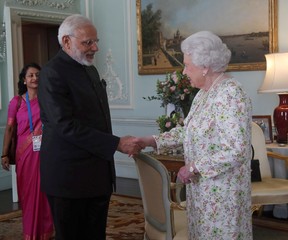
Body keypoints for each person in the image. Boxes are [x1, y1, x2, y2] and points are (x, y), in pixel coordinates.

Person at [138, 31, 253, 239]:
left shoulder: (230, 93)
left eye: (187, 66)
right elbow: (188, 131)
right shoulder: (203, 93)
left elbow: (237, 151)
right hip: (201, 193)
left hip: (222, 197)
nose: (184, 71)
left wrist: (193, 167)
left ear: (205, 67)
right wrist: (152, 141)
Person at [38, 14, 141, 240]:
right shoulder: (52, 73)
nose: (95, 47)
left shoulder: (89, 69)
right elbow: (65, 125)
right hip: (69, 179)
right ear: (66, 41)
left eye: (96, 41)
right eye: (88, 42)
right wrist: (116, 143)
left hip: (97, 176)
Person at [1, 63, 54, 239]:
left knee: (45, 192)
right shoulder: (16, 103)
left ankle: (45, 232)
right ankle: (30, 232)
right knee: (28, 194)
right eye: (31, 75)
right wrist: (4, 153)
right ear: (24, 80)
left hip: (45, 151)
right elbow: (9, 129)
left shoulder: (47, 100)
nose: (35, 78)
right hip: (24, 154)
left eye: (38, 75)